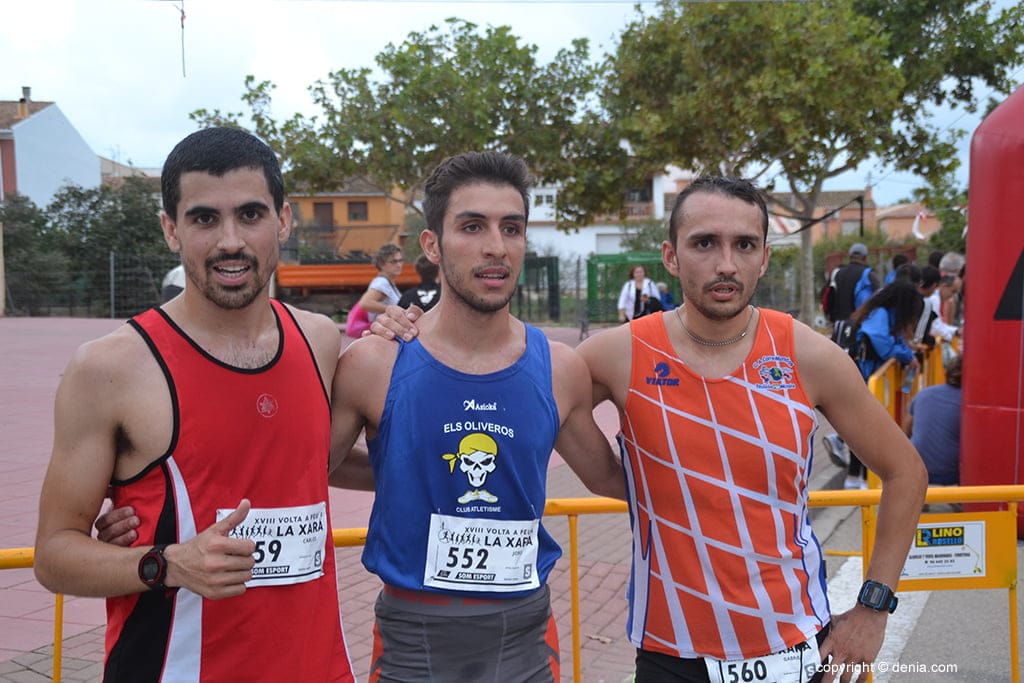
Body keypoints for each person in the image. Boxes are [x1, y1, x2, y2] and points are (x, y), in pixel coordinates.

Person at [374, 176, 927, 682]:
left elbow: (906, 472)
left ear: (764, 258)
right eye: (704, 243)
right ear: (670, 256)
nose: (726, 264)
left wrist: (873, 608)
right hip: (670, 654)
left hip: (796, 647)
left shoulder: (809, 356)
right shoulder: (618, 355)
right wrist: (420, 329)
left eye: (744, 245)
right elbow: (495, 385)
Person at [33, 127, 354, 682]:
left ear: (283, 220)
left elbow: (307, 465)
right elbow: (53, 556)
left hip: (318, 667)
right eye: (205, 219)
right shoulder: (109, 368)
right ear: (171, 230)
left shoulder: (320, 340)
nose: (231, 241)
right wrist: (166, 563)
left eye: (250, 215)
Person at [329, 151, 625, 681]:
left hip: (524, 639)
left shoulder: (559, 369)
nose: (496, 247)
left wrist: (723, 486)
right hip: (413, 641)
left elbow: (611, 479)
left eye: (511, 228)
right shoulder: (374, 363)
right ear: (432, 245)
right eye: (472, 227)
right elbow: (310, 468)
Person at [842, 279, 924, 489]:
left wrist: (906, 354)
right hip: (865, 376)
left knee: (863, 428)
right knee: (864, 429)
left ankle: (856, 477)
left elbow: (893, 341)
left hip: (868, 376)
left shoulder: (882, 313)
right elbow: (883, 344)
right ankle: (858, 478)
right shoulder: (881, 314)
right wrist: (906, 356)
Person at [822, 242, 881, 469]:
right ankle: (842, 438)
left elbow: (827, 299)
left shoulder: (837, 272)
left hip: (838, 331)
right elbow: (869, 306)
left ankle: (839, 436)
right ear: (865, 257)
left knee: (840, 387)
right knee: (858, 389)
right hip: (857, 333)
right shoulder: (868, 275)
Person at [905, 354, 962, 486]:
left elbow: (906, 430)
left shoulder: (923, 394)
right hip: (949, 474)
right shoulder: (967, 403)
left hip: (915, 467)